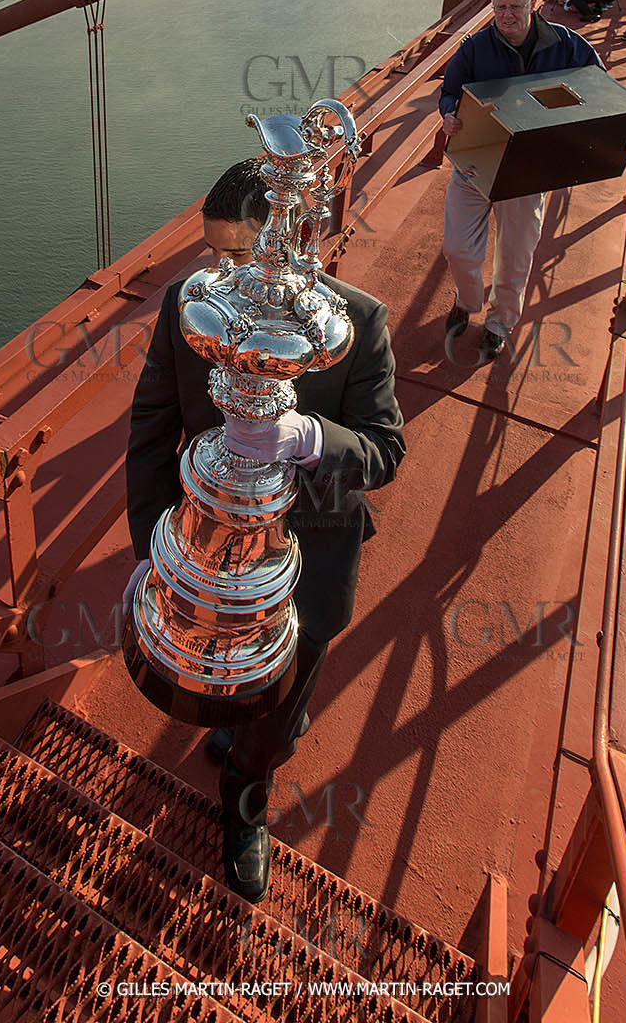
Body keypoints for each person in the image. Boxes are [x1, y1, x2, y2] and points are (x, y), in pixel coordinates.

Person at [123, 158, 405, 903]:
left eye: (238, 257)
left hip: (307, 554)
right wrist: (154, 544)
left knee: (274, 720)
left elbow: (384, 452)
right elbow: (151, 426)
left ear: (285, 245)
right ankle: (240, 726)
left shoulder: (358, 321)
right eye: (213, 254)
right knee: (221, 683)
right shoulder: (194, 305)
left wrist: (306, 436)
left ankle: (246, 804)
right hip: (205, 547)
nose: (221, 274)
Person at [439, 0, 626, 359]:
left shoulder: (568, 45)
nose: (506, 16)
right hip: (476, 165)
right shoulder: (475, 48)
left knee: (516, 255)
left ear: (535, 3)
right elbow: (450, 92)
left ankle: (499, 324)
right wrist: (448, 114)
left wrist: (624, 137)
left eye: (515, 6)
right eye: (499, 7)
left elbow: (603, 97)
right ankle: (467, 302)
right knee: (458, 249)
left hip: (528, 173)